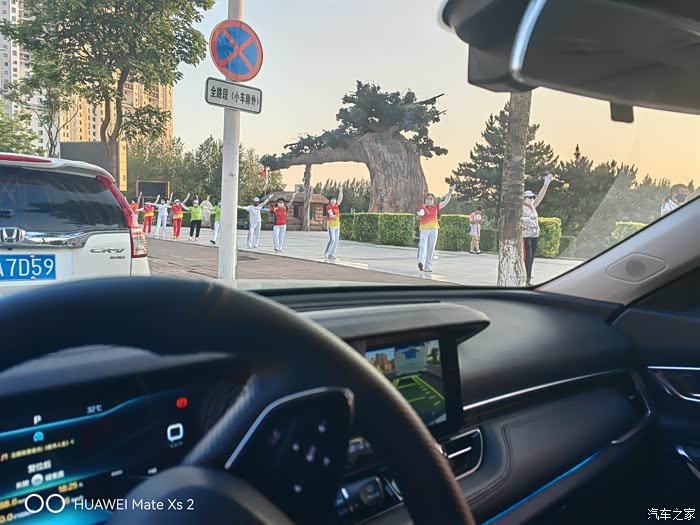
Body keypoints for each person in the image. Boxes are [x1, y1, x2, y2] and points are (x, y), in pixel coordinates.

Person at [522, 174, 553, 286]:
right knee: (527, 257)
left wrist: (546, 184)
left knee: (531, 258)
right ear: (524, 199)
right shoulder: (521, 208)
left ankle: (528, 279)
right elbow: (518, 219)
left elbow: (540, 197)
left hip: (534, 235)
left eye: (532, 197)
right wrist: (526, 219)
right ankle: (524, 278)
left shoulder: (533, 207)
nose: (532, 199)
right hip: (525, 236)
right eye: (529, 197)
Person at [416, 186, 454, 272]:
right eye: (428, 198)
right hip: (425, 229)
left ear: (433, 200)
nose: (429, 200)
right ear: (425, 200)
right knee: (423, 246)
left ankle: (427, 266)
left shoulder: (436, 207)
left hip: (434, 229)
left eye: (431, 199)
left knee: (431, 248)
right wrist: (420, 213)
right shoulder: (423, 207)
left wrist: (450, 192)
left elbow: (446, 201)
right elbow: (422, 212)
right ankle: (421, 262)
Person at [324, 187, 344, 260]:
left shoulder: (336, 205)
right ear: (329, 201)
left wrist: (340, 191)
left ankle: (332, 254)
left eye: (334, 199)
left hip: (337, 225)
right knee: (332, 240)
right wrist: (333, 216)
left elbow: (340, 199)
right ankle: (326, 252)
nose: (333, 201)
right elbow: (331, 214)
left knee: (336, 241)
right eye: (332, 199)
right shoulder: (329, 207)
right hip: (331, 226)